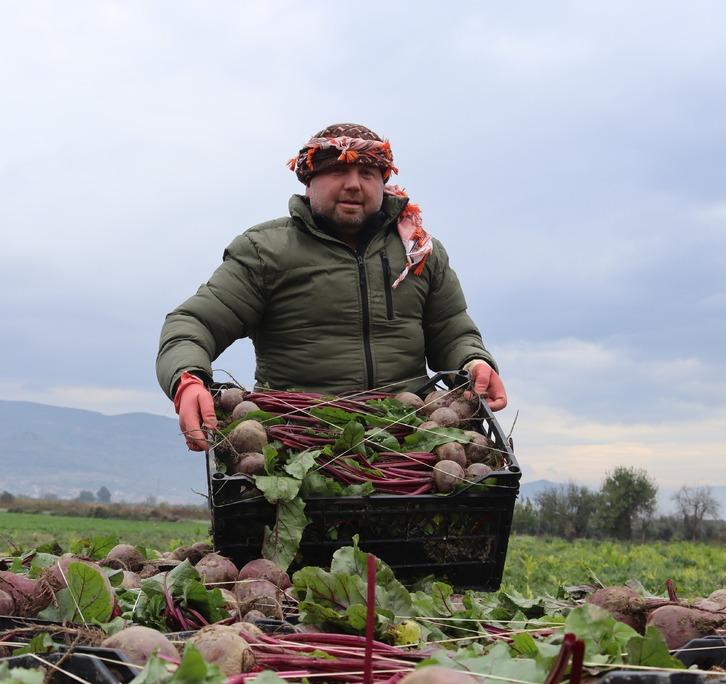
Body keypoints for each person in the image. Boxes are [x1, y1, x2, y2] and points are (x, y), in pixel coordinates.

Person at [157, 123, 507, 451]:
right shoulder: (265, 251)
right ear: (309, 182)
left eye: (367, 173)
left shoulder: (419, 251)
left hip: (412, 434)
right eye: (338, 171)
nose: (354, 184)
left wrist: (474, 360)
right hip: (294, 436)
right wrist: (187, 380)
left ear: (382, 182)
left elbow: (450, 329)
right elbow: (193, 323)